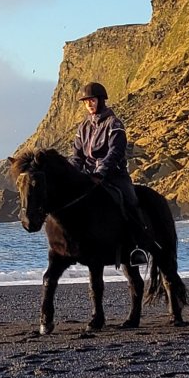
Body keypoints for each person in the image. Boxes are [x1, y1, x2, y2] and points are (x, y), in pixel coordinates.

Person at [70, 82, 152, 266]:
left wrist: (100, 173)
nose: (89, 104)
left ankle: (137, 247)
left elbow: (115, 153)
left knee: (130, 201)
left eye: (92, 100)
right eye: (86, 102)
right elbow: (77, 157)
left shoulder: (114, 124)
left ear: (101, 100)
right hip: (89, 176)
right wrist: (72, 176)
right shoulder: (82, 127)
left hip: (114, 176)